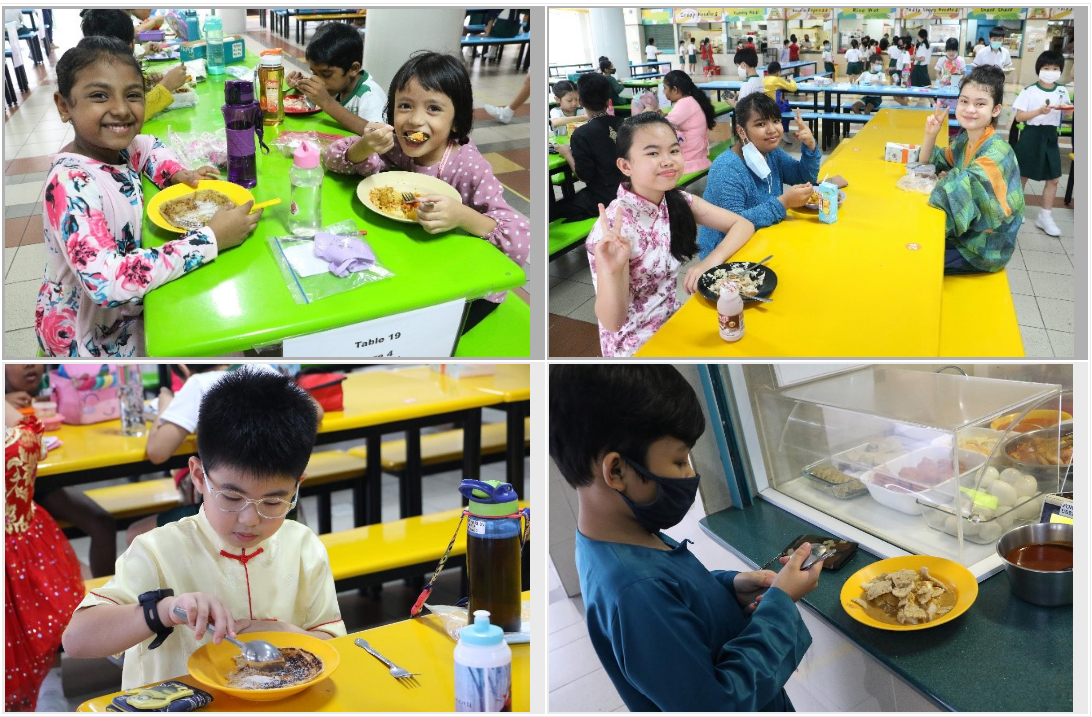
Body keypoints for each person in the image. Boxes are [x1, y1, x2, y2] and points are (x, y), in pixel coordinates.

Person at [549, 364, 819, 711]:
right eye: (679, 461)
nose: (691, 474)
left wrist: (728, 586)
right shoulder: (636, 591)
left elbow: (674, 598)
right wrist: (780, 604)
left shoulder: (617, 540)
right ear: (616, 470)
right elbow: (716, 704)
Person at [63, 369, 346, 690]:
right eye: (231, 497)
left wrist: (278, 629)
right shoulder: (157, 551)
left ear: (298, 486)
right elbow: (77, 639)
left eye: (273, 502)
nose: (250, 519)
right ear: (198, 476)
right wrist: (165, 611)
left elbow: (331, 641)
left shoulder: (302, 546)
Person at [36, 37, 261, 357]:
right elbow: (106, 282)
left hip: (129, 301)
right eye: (99, 96)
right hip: (90, 333)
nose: (121, 109)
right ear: (64, 106)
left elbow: (149, 146)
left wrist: (176, 173)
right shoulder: (70, 185)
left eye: (133, 95)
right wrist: (211, 239)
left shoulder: (113, 148)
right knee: (222, 341)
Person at [323, 51, 529, 320]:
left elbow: (519, 238)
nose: (415, 120)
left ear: (456, 121)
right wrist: (364, 146)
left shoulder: (468, 166)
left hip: (464, 285)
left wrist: (462, 216)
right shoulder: (397, 146)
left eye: (433, 108)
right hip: (410, 264)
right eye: (405, 105)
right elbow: (331, 159)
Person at [586, 113, 754, 357]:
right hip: (635, 347)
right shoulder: (614, 230)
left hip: (672, 321)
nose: (668, 161)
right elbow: (613, 323)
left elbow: (743, 225)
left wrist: (708, 263)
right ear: (626, 165)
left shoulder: (676, 200)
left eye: (674, 151)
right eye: (653, 153)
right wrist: (612, 271)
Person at [5, 402, 86, 711]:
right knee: (38, 619)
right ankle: (46, 688)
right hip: (27, 542)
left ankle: (42, 690)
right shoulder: (20, 439)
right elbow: (36, 442)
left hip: (25, 544)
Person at [5, 365, 118, 577]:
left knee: (102, 522)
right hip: (12, 498)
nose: (29, 365)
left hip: (42, 486)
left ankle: (107, 600)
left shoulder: (55, 384)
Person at [919, 66, 1024, 274]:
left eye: (980, 104)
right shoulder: (965, 139)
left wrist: (950, 177)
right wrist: (931, 134)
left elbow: (951, 200)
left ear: (995, 110)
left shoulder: (997, 154)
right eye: (964, 101)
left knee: (916, 258)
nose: (969, 109)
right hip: (965, 233)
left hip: (983, 249)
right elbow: (929, 164)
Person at [699, 94, 820, 255]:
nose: (772, 130)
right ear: (741, 131)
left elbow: (803, 177)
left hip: (763, 239)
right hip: (727, 256)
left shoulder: (771, 153)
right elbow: (734, 225)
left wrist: (810, 147)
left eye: (776, 121)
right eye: (761, 124)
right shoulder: (727, 168)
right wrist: (783, 203)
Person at [80, 10, 186, 121]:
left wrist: (144, 83)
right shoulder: (108, 79)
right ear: (131, 45)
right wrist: (167, 85)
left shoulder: (96, 66)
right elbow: (132, 115)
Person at [285, 22, 387, 132]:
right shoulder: (338, 86)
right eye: (314, 73)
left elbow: (378, 134)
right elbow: (313, 104)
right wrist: (301, 88)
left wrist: (326, 102)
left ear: (353, 69)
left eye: (326, 74)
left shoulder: (370, 96)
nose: (319, 80)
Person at [549, 73, 624, 222]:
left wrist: (566, 154)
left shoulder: (582, 134)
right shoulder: (623, 123)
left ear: (581, 101)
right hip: (631, 190)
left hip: (605, 197)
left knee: (553, 211)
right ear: (608, 101)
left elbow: (584, 176)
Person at [1012, 50, 1071, 237]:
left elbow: (1067, 113)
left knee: (1053, 178)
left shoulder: (1062, 90)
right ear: (1039, 69)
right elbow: (1019, 116)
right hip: (1031, 134)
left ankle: (1045, 216)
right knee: (1022, 175)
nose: (1050, 71)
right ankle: (1017, 210)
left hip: (1050, 135)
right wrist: (1039, 112)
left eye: (1055, 68)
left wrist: (1068, 111)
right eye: (1046, 68)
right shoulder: (1030, 90)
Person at [662, 70, 715, 174]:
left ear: (675, 90)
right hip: (698, 151)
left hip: (691, 156)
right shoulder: (690, 100)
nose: (664, 92)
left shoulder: (685, 103)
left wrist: (651, 113)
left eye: (665, 88)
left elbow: (664, 124)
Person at [761, 61, 797, 140]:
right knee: (787, 106)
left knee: (783, 102)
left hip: (763, 107)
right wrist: (791, 80)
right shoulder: (777, 79)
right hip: (775, 108)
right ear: (778, 72)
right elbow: (793, 88)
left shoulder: (763, 80)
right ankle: (784, 130)